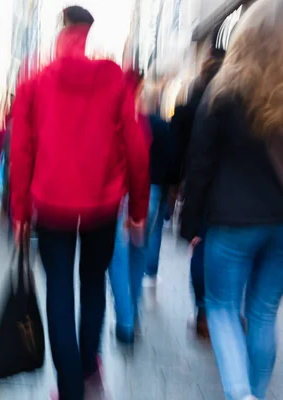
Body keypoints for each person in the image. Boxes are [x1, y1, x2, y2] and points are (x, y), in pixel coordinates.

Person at [10, 6, 149, 400]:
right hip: (102, 205)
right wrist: (138, 210)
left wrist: (20, 212)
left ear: (62, 31)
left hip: (51, 204)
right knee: (92, 285)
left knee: (58, 290)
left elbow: (21, 151)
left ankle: (69, 388)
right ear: (88, 32)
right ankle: (89, 368)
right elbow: (136, 149)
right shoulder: (112, 79)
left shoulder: (35, 80)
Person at [180, 1, 283, 399]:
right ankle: (255, 391)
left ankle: (242, 394)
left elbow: (200, 165)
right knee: (263, 313)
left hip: (231, 221)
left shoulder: (222, 92)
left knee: (222, 308)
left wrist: (191, 226)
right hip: (279, 223)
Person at [108, 74, 172, 344]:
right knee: (138, 255)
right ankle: (132, 314)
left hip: (124, 197)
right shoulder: (157, 124)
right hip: (152, 194)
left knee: (118, 260)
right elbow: (172, 159)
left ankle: (126, 322)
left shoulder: (119, 121)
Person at [171, 47, 224, 338]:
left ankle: (204, 311)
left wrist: (177, 185)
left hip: (201, 187)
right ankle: (224, 310)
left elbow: (183, 152)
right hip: (234, 193)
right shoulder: (239, 101)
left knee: (200, 246)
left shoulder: (192, 106)